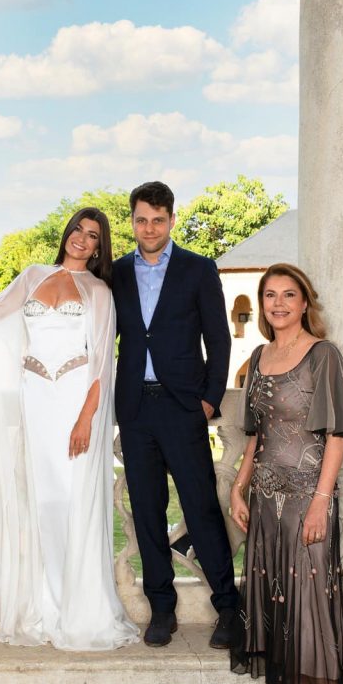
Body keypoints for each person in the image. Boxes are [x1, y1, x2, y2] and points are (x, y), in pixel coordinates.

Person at [0, 208, 138, 651]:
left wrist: (86, 419)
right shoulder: (32, 275)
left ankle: (76, 606)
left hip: (74, 399)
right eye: (78, 230)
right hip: (34, 399)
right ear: (67, 233)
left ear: (99, 247)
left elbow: (102, 363)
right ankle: (42, 602)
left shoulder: (99, 292)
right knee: (40, 500)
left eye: (93, 235)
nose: (81, 239)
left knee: (70, 499)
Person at [229, 262, 343, 684]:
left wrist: (320, 502)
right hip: (266, 501)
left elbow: (337, 434)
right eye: (270, 295)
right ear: (262, 304)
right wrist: (239, 487)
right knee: (279, 604)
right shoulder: (259, 358)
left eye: (289, 294)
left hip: (308, 500)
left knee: (313, 611)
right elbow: (257, 435)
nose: (279, 303)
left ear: (305, 303)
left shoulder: (322, 355)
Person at [112, 181, 239, 649]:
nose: (149, 228)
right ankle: (161, 609)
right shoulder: (117, 272)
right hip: (135, 408)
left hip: (183, 406)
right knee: (147, 510)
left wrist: (208, 399)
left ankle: (229, 607)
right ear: (132, 221)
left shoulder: (198, 269)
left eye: (158, 220)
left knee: (201, 507)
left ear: (171, 220)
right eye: (141, 220)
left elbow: (218, 339)